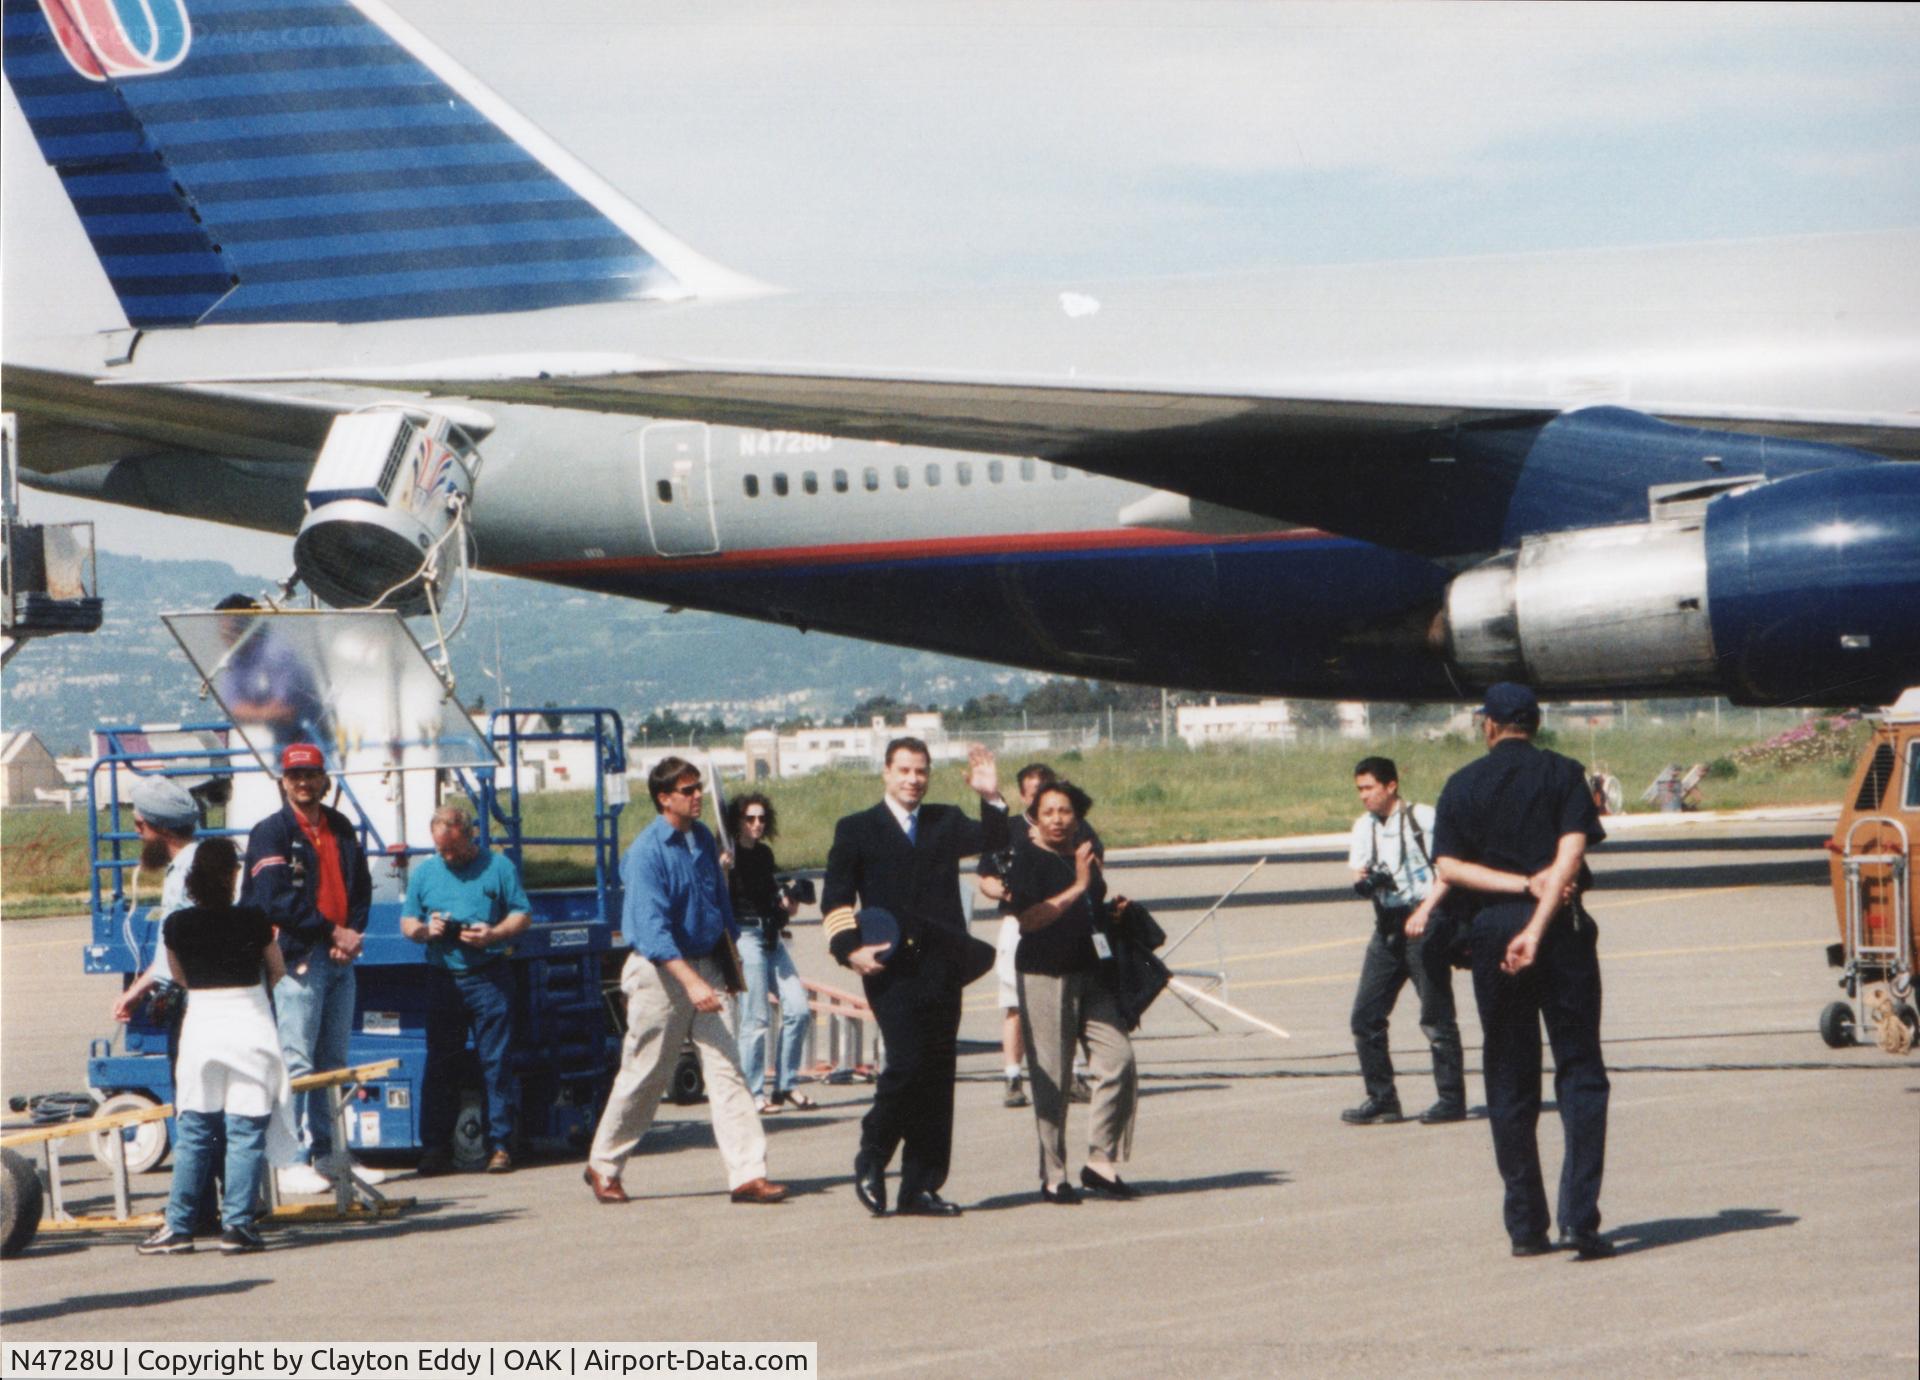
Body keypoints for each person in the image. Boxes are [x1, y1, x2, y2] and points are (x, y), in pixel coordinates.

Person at [1432, 682, 1613, 1261]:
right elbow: (1570, 857)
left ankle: (1525, 1226)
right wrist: (1538, 916)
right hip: (1559, 930)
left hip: (1492, 933)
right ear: (1535, 723)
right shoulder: (1563, 773)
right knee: (1580, 1070)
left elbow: (1450, 867)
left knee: (1509, 1077)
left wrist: (1515, 893)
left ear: (1488, 725)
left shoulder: (1461, 785)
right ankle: (1580, 1221)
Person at [583, 757, 788, 1207]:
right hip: (662, 971)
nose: (698, 796)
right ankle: (604, 1163)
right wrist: (691, 983)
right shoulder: (646, 853)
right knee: (646, 1074)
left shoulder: (703, 841)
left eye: (699, 788)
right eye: (688, 790)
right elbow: (651, 931)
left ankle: (748, 1174)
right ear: (664, 798)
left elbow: (719, 911)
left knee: (728, 1068)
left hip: (706, 966)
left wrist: (728, 967)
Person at [823, 738, 1009, 1218]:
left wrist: (991, 797)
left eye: (921, 771)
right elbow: (836, 900)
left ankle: (920, 1186)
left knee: (937, 1073)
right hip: (888, 969)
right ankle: (872, 1152)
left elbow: (994, 840)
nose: (913, 780)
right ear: (885, 772)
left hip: (942, 966)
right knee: (905, 1064)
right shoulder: (857, 829)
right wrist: (850, 951)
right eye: (904, 770)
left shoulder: (944, 821)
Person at [136, 838, 295, 1256]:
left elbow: (178, 977)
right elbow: (276, 971)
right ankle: (239, 1225)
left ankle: (180, 1225)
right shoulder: (254, 920)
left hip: (204, 1025)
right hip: (250, 1023)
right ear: (232, 875)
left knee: (195, 1131)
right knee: (245, 1131)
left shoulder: (177, 926)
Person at [241, 741, 379, 1196]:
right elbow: (274, 898)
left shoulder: (339, 826)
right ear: (284, 782)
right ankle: (289, 1158)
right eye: (295, 776)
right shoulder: (271, 833)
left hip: (338, 956)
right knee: (296, 1060)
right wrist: (330, 933)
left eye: (311, 775)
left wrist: (351, 933)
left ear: (324, 779)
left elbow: (361, 887)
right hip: (298, 956)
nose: (304, 783)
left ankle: (332, 1154)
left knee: (333, 1061)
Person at [1004, 781, 1140, 1205]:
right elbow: (1029, 920)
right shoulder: (1027, 859)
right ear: (1036, 817)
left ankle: (1100, 1161)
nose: (1058, 820)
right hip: (1046, 973)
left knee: (1119, 1060)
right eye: (1048, 812)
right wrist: (1080, 886)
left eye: (1066, 812)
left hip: (1091, 971)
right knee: (1053, 1075)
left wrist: (1107, 908)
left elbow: (1090, 904)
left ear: (1078, 816)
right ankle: (1053, 1173)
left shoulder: (1085, 852)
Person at [400, 804, 530, 1175]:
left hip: (488, 976)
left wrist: (494, 934)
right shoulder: (426, 872)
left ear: (471, 835)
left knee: (495, 1062)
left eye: (454, 849)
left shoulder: (499, 868)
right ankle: (435, 1147)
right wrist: (427, 930)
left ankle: (501, 1144)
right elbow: (408, 922)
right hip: (443, 977)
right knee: (440, 1063)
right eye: (442, 850)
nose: (449, 856)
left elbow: (522, 913)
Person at [1342, 756, 1466, 1126]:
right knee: (1365, 1017)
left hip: (1423, 921)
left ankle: (1451, 1098)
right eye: (1359, 789)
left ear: (1391, 785)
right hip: (1387, 926)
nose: (1363, 796)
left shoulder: (1423, 819)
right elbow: (1358, 870)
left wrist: (1425, 911)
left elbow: (1449, 870)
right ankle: (1382, 1099)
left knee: (1436, 1017)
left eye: (1369, 788)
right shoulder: (1364, 827)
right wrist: (1366, 879)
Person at [723, 793, 815, 1114]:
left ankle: (786, 1084)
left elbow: (769, 895)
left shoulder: (763, 854)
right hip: (745, 935)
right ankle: (753, 1090)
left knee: (799, 1009)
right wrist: (721, 868)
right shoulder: (726, 857)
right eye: (750, 819)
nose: (757, 824)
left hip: (769, 933)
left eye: (761, 818)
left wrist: (787, 901)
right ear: (737, 821)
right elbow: (716, 896)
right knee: (757, 1017)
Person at [976, 763, 1056, 1108]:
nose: (1039, 798)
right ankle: (1012, 1075)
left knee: (1064, 1001)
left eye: (1046, 790)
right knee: (1015, 1004)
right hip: (1017, 921)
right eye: (1033, 791)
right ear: (1023, 795)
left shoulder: (1069, 826)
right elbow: (986, 877)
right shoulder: (1008, 830)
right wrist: (1005, 892)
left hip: (1058, 920)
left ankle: (1073, 1074)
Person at [110, 777, 202, 1062]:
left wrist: (137, 991)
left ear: (162, 829)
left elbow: (175, 953)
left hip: (195, 1004)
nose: (138, 834)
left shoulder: (185, 874)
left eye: (140, 825)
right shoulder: (197, 861)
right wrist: (139, 988)